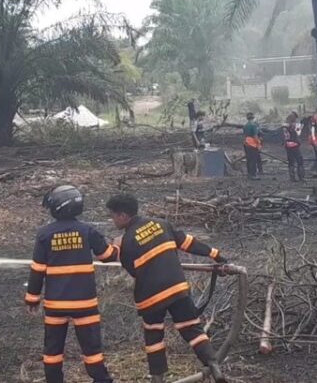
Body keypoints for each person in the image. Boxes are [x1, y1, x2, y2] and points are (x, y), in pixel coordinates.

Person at [105, 194, 228, 383]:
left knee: (154, 336)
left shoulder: (127, 241)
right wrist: (216, 255)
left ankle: (157, 378)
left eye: (113, 216)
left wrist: (118, 247)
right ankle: (214, 366)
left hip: (150, 297)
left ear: (122, 216)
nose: (113, 220)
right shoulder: (161, 223)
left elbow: (132, 269)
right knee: (192, 329)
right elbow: (189, 243)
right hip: (177, 288)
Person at [25, 185, 119, 383]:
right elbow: (107, 256)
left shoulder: (44, 235)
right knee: (92, 348)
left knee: (53, 350)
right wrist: (118, 246)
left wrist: (32, 298)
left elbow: (37, 270)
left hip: (55, 305)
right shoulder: (87, 230)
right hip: (85, 303)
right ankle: (101, 379)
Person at [282, 111, 305, 181]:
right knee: (299, 161)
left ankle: (292, 177)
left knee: (291, 161)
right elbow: (298, 133)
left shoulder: (284, 125)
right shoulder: (296, 125)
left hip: (287, 145)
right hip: (295, 145)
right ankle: (301, 176)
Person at [243, 112, 263, 180]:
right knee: (253, 160)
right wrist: (258, 145)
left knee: (249, 159)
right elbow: (255, 136)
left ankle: (249, 174)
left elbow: (245, 135)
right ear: (253, 117)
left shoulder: (245, 125)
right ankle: (253, 175)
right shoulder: (254, 125)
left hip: (246, 143)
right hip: (253, 144)